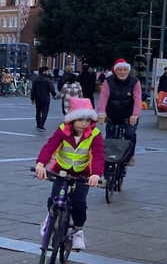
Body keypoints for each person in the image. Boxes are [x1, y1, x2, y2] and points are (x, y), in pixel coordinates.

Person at [34, 98, 104, 251]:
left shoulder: (95, 134)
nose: (83, 124)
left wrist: (96, 175)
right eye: (79, 120)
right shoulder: (62, 130)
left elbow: (98, 155)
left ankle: (78, 231)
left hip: (82, 174)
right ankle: (50, 219)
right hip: (61, 171)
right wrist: (40, 164)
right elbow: (50, 147)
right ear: (72, 120)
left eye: (87, 120)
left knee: (79, 202)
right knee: (54, 198)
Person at [96, 58, 141, 166]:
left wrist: (135, 115)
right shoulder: (108, 81)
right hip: (112, 114)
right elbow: (103, 97)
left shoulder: (134, 82)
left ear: (128, 71)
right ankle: (108, 169)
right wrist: (101, 113)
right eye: (120, 70)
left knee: (130, 134)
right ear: (115, 71)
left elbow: (137, 99)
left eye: (125, 70)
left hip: (128, 115)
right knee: (110, 138)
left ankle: (129, 157)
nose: (122, 72)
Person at [30, 66, 57, 132]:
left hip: (37, 97)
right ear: (44, 72)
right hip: (45, 97)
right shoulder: (47, 80)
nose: (48, 72)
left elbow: (33, 90)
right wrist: (54, 95)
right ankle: (42, 125)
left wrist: (32, 98)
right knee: (45, 112)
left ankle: (38, 124)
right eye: (47, 71)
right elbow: (51, 89)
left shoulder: (36, 79)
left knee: (38, 111)